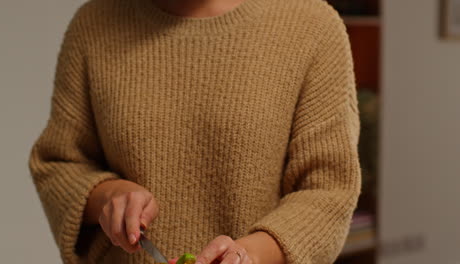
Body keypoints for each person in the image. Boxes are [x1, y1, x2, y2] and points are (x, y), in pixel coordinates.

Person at [28, 0, 362, 263]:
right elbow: (59, 163)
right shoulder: (93, 25)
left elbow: (328, 188)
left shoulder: (312, 26)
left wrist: (251, 254)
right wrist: (108, 195)